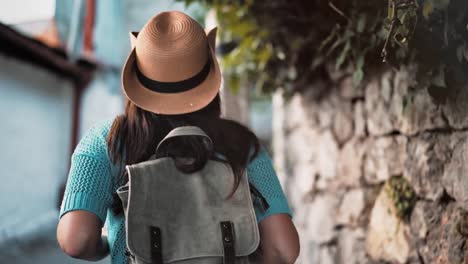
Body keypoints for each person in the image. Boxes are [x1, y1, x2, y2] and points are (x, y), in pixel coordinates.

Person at [57, 11, 299, 264]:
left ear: (137, 78)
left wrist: (109, 245)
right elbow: (283, 249)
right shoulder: (242, 145)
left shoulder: (105, 141)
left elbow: (77, 240)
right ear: (209, 77)